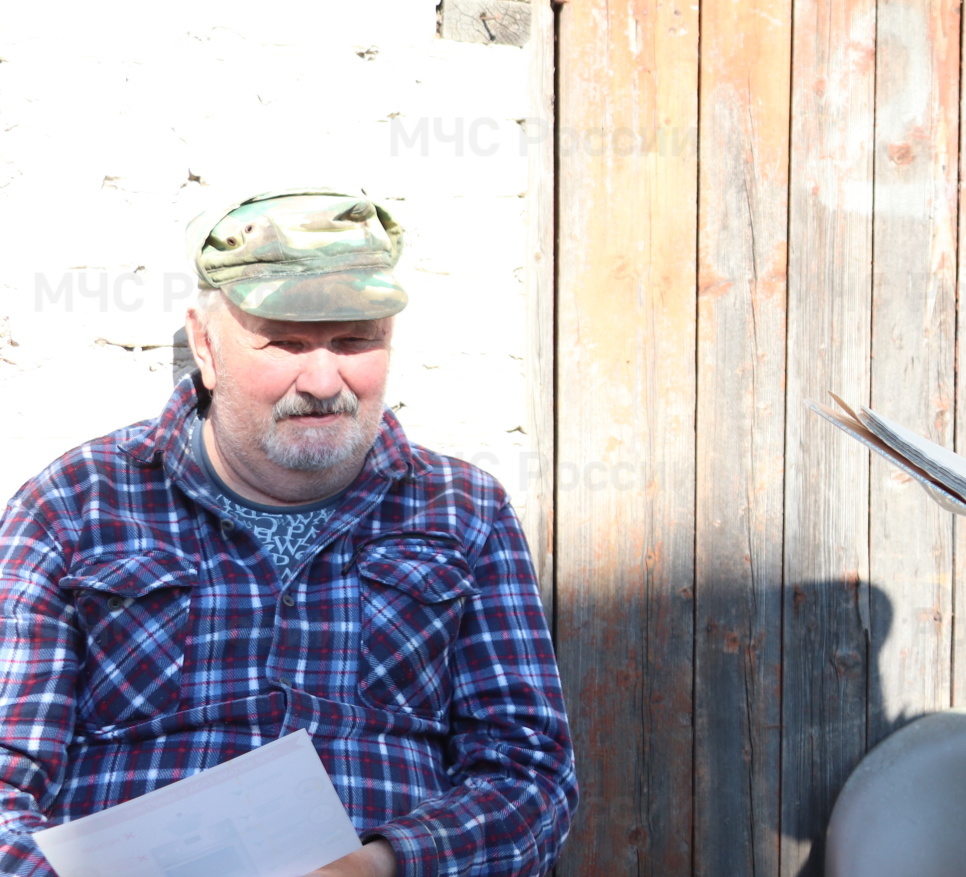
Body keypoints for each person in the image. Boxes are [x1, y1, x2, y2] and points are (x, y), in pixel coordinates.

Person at [0, 190, 576, 876]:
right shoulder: (76, 504)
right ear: (206, 344)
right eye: (286, 341)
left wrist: (380, 864)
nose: (325, 378)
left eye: (357, 339)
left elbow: (529, 775)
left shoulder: (463, 511)